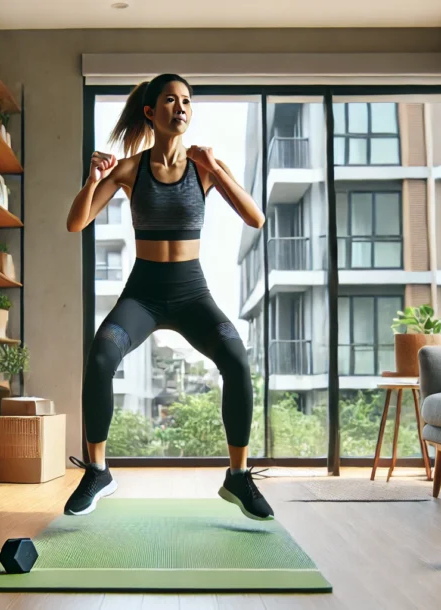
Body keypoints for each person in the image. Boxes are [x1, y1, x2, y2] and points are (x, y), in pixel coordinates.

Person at [64, 74, 273, 521]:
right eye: (171, 101)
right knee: (101, 355)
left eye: (186, 102)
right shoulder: (129, 169)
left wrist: (216, 168)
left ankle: (237, 477)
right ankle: (98, 471)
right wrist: (92, 178)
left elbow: (255, 218)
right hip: (144, 294)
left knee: (236, 361)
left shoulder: (204, 168)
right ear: (150, 112)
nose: (181, 108)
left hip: (191, 293)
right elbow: (76, 223)